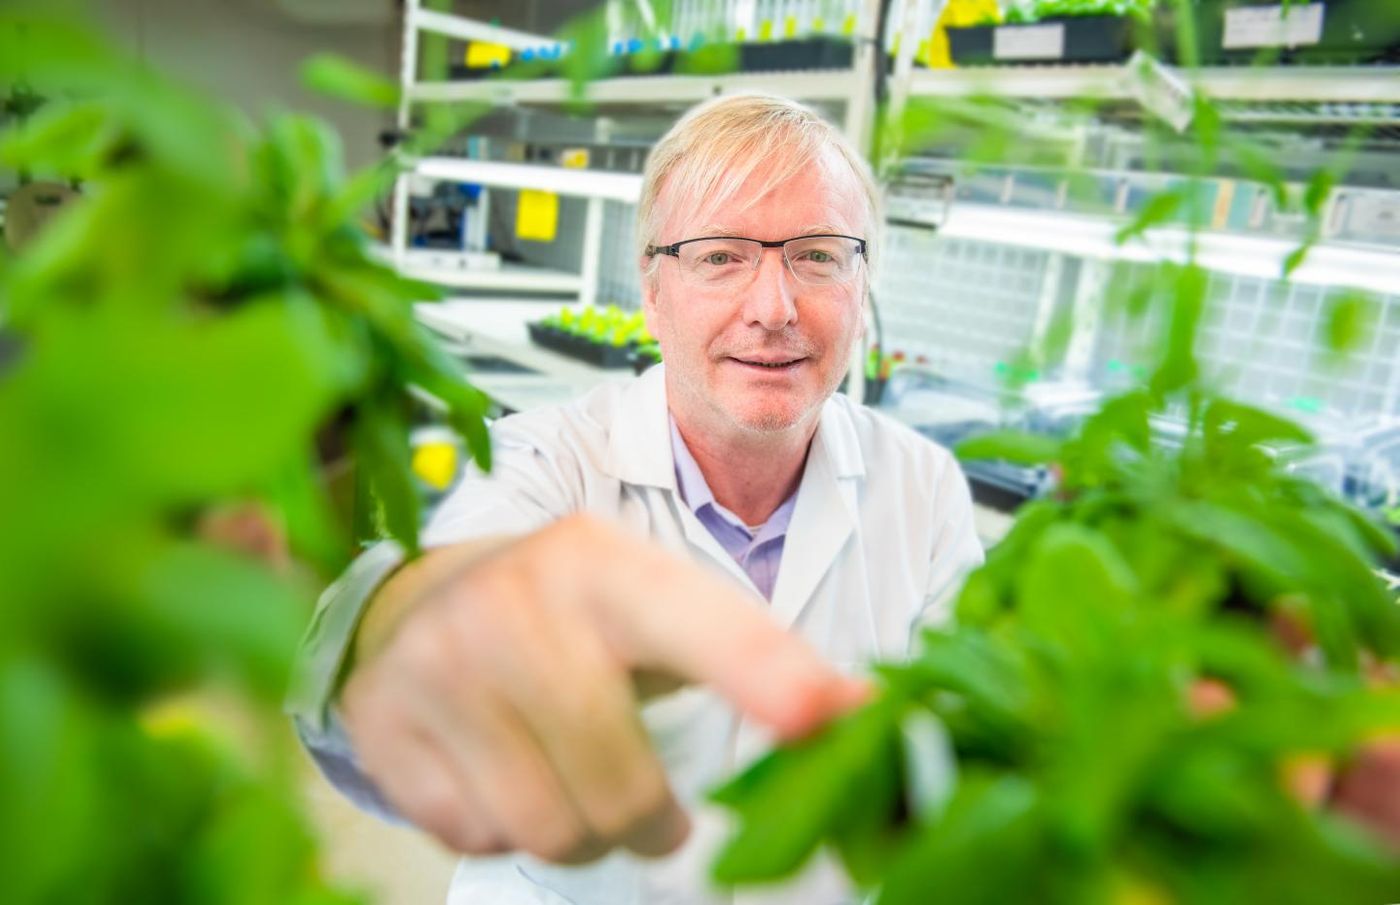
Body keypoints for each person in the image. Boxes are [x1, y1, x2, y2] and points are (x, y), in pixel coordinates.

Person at [288, 92, 985, 904]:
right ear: (653, 292)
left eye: (818, 255)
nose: (773, 307)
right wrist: (402, 625)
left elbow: (963, 760)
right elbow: (416, 612)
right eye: (722, 256)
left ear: (862, 287)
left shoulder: (923, 487)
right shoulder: (544, 463)